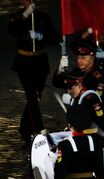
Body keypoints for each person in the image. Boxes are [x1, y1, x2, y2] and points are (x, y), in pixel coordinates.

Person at [8, 0, 60, 145]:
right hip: (24, 62)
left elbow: (55, 38)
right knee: (31, 94)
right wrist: (25, 16)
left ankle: (25, 129)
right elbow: (12, 31)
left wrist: (41, 36)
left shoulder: (43, 17)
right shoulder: (17, 16)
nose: (28, 2)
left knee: (36, 96)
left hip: (40, 61)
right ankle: (38, 128)